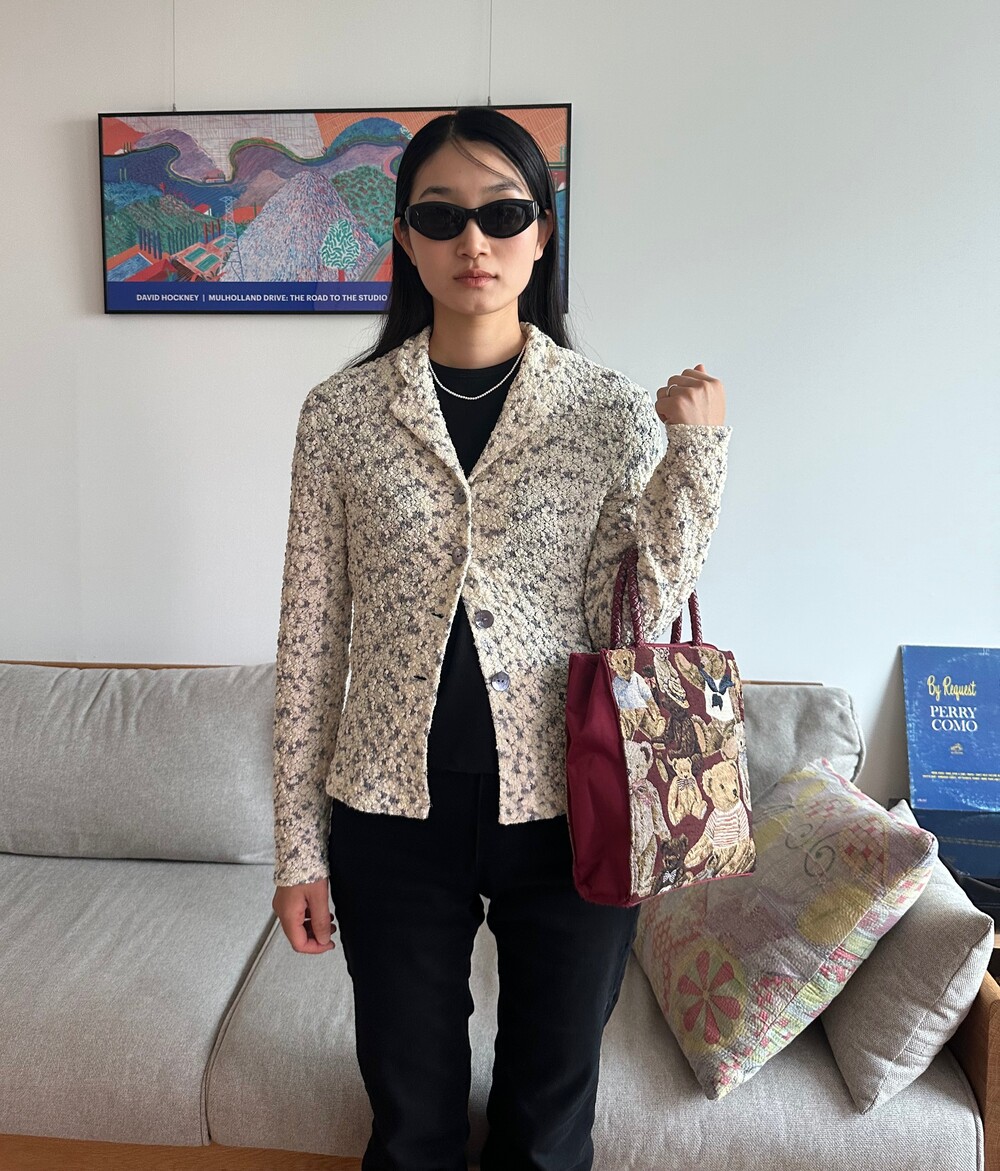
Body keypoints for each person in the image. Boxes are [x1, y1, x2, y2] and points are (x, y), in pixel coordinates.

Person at [270, 106, 730, 1171]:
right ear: (404, 237)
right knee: (411, 1122)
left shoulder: (609, 411)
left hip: (573, 808)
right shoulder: (341, 415)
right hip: (391, 813)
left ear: (541, 231)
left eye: (503, 213)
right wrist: (298, 848)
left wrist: (696, 457)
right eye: (441, 216)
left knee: (547, 1120)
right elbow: (309, 640)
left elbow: (641, 609)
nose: (472, 240)